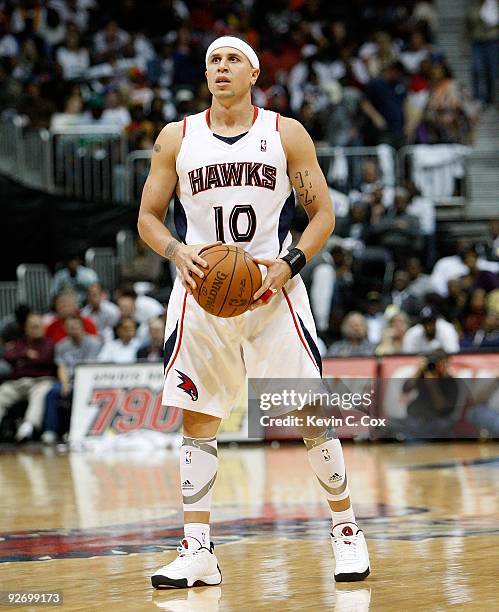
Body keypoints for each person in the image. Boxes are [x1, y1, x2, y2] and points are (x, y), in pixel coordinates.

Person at [137, 36, 370, 589]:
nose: (220, 67)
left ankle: (346, 530)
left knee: (309, 414)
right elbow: (148, 216)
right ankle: (198, 549)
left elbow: (323, 217)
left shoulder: (284, 133)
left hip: (272, 293)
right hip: (202, 293)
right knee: (198, 418)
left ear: (254, 72)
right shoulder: (177, 137)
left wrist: (289, 264)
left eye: (232, 59)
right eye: (213, 60)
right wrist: (176, 250)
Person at [44, 316, 102, 443]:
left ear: (82, 327)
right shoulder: (61, 345)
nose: (73, 329)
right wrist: (65, 384)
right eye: (70, 327)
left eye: (76, 326)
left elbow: (90, 368)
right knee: (52, 392)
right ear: (65, 329)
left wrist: (76, 384)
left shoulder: (94, 342)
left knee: (78, 393)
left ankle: (74, 430)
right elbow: (61, 367)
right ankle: (50, 430)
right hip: (67, 380)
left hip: (87, 381)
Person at [0, 314, 55, 442]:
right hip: (18, 383)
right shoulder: (20, 343)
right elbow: (8, 356)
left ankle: (27, 427)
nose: (37, 329)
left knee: (41, 392)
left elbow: (44, 359)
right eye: (33, 326)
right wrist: (25, 354)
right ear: (26, 328)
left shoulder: (48, 343)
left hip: (40, 381)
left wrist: (22, 359)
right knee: (2, 392)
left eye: (39, 326)